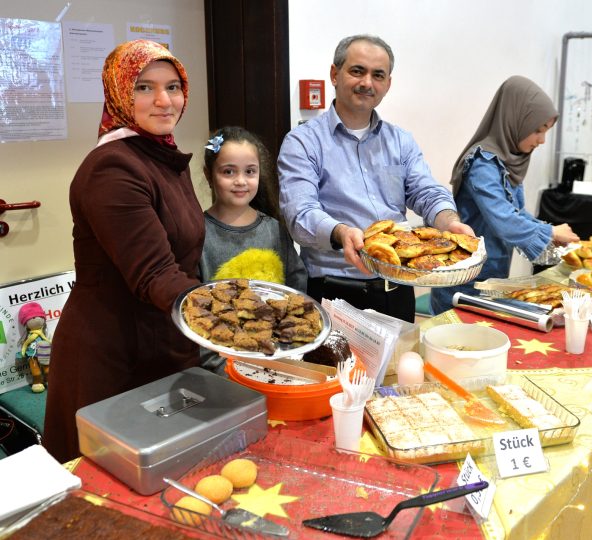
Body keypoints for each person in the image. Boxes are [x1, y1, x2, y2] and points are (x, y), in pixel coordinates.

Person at [43, 40, 204, 463]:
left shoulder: (159, 154)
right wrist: (222, 316)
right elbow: (154, 273)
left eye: (173, 86)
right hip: (112, 356)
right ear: (118, 91)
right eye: (144, 88)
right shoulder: (114, 166)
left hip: (160, 343)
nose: (164, 101)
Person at [277, 34, 474, 323]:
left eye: (377, 75)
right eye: (357, 71)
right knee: (339, 371)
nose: (367, 83)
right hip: (335, 295)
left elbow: (426, 191)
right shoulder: (303, 142)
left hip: (397, 292)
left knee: (399, 369)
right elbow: (300, 215)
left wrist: (449, 221)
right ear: (335, 74)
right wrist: (341, 233)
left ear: (388, 84)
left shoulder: (400, 141)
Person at [430, 76, 579, 314]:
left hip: (490, 278)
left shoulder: (508, 161)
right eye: (538, 130)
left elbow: (516, 213)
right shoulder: (483, 163)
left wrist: (548, 232)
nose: (541, 140)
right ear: (516, 119)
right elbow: (504, 219)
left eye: (546, 131)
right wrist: (550, 231)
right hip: (463, 282)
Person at [199, 126, 307, 373]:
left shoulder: (274, 230)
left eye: (250, 171)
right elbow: (195, 311)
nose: (240, 181)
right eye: (228, 172)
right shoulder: (199, 234)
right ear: (209, 175)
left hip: (277, 362)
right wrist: (222, 368)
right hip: (223, 368)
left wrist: (288, 349)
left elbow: (296, 289)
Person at [16, 303, 51, 393]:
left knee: (48, 369)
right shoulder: (28, 336)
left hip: (44, 352)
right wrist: (23, 352)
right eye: (33, 318)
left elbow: (47, 340)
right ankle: (37, 382)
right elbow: (25, 344)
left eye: (40, 317)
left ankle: (49, 380)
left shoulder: (43, 334)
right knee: (35, 371)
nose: (38, 319)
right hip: (32, 356)